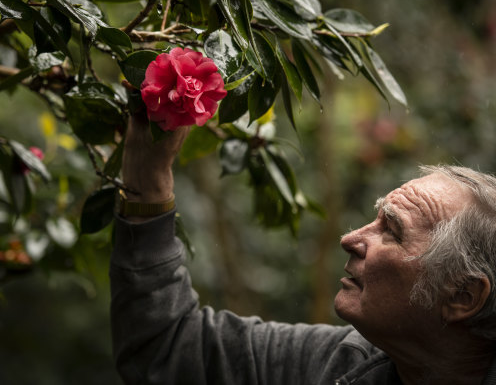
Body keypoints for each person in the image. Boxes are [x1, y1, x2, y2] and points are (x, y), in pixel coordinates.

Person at [109, 114, 496, 384]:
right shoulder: (336, 364)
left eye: (392, 232)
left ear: (463, 295)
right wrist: (148, 178)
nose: (350, 239)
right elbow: (172, 349)